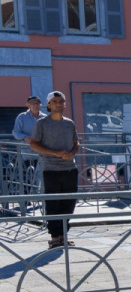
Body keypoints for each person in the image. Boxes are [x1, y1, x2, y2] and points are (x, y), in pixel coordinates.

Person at [29, 91, 82, 249]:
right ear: (49, 104)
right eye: (55, 101)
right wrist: (55, 153)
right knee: (53, 204)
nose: (58, 104)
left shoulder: (69, 123)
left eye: (61, 101)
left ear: (64, 104)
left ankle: (64, 235)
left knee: (69, 203)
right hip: (51, 169)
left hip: (70, 169)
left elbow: (76, 144)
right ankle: (54, 237)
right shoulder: (41, 123)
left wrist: (71, 153)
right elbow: (33, 144)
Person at [11, 94, 44, 213]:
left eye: (37, 103)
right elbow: (15, 132)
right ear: (28, 105)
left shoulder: (44, 118)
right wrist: (25, 137)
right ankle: (25, 200)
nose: (35, 105)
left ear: (41, 105)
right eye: (33, 103)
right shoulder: (22, 117)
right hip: (26, 153)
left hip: (41, 152)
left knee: (40, 176)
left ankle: (43, 199)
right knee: (25, 176)